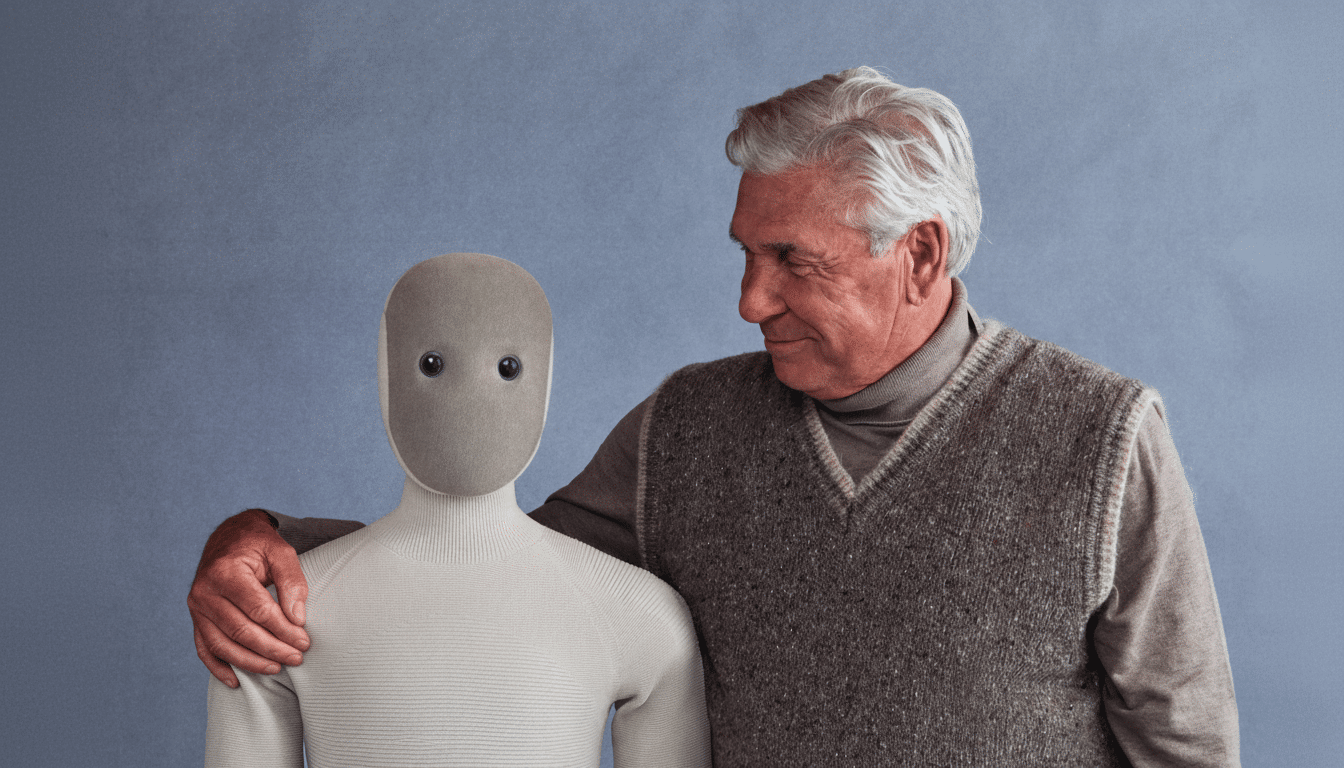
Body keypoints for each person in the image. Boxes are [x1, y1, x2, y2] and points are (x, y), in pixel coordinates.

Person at [190, 67, 1239, 766]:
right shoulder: (686, 430)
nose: (750, 300)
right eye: (745, 253)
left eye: (793, 261)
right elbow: (498, 572)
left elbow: (1184, 745)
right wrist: (263, 542)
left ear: (919, 254)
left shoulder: (1102, 437)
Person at [204, 253, 709, 767]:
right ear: (387, 367)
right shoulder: (262, 620)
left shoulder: (643, 616)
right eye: (432, 365)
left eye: (507, 369)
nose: (470, 390)